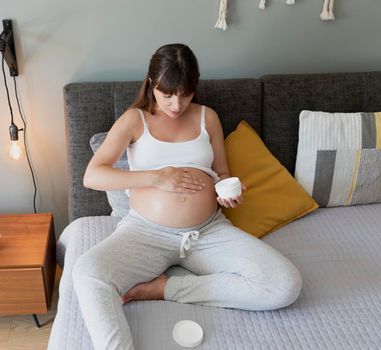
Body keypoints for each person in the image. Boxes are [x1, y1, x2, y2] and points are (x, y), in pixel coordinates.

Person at [73, 43, 302, 350]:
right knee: (87, 272)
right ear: (152, 84)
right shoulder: (134, 120)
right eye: (167, 93)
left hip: (208, 232)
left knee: (285, 284)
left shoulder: (209, 118)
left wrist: (228, 191)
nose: (176, 104)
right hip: (145, 233)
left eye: (185, 94)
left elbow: (222, 172)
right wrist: (157, 177)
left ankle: (167, 289)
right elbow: (93, 175)